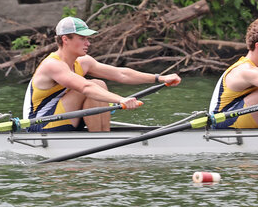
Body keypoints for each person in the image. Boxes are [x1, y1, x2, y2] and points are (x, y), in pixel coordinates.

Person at [23, 16, 181, 132]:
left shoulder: (83, 62)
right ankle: (101, 138)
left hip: (64, 120)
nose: (88, 43)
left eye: (87, 38)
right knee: (95, 86)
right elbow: (85, 87)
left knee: (99, 85)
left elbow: (121, 74)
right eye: (82, 38)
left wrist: (159, 78)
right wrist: (121, 100)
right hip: (40, 125)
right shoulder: (53, 65)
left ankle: (103, 135)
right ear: (65, 39)